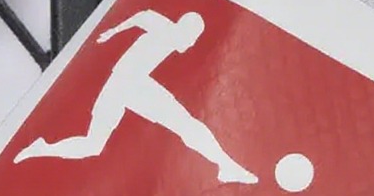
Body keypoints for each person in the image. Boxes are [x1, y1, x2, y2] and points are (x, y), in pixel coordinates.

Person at [14, 10, 258, 184]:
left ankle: (43, 148)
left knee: (93, 144)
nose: (192, 44)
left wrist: (114, 32)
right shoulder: (167, 30)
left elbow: (143, 16)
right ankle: (226, 165)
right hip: (132, 84)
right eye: (194, 37)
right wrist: (113, 31)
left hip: (122, 85)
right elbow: (144, 15)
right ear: (186, 28)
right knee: (184, 124)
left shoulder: (169, 34)